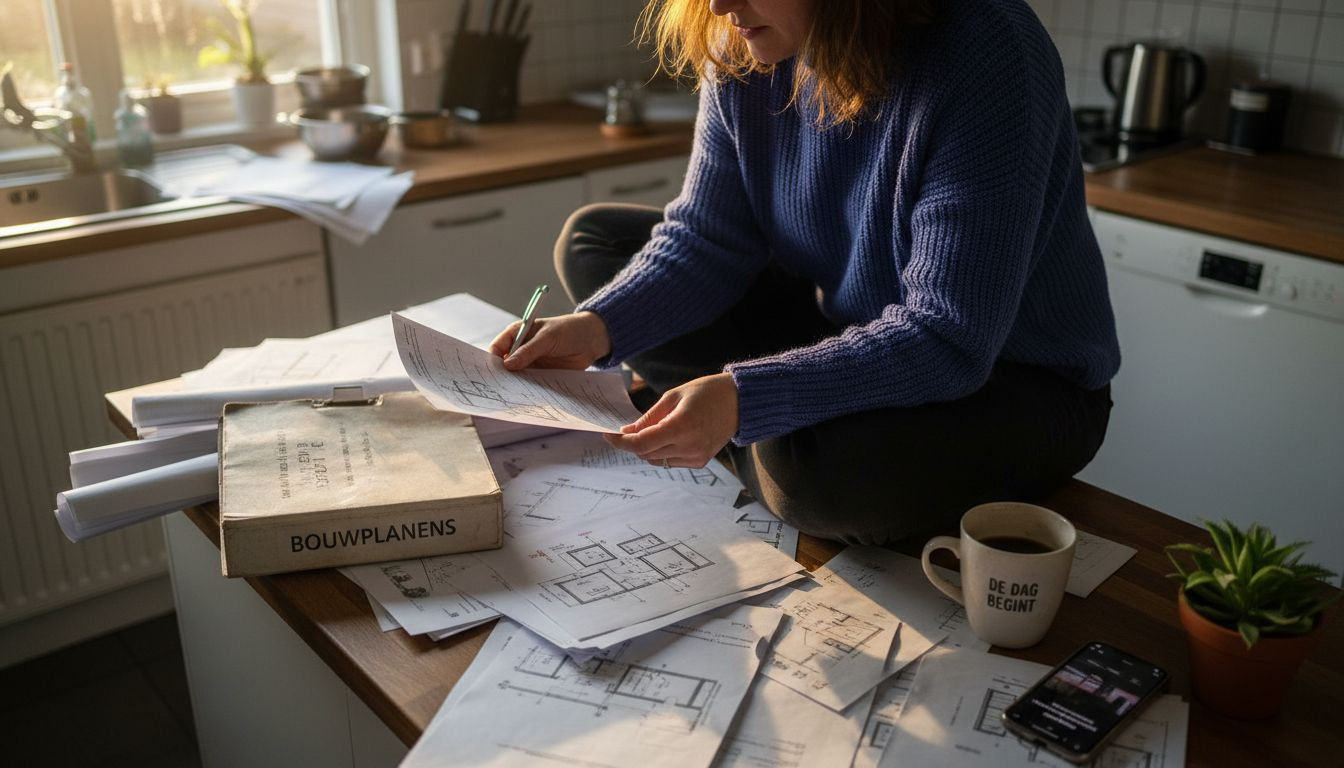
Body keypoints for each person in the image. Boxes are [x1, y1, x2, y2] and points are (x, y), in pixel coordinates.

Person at [490, 0, 1120, 546]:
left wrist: (744, 397)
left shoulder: (987, 50)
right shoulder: (748, 41)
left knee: (814, 479)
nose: (717, 8)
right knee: (597, 241)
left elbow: (947, 337)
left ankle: (747, 422)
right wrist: (598, 329)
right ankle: (754, 421)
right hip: (848, 322)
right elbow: (707, 239)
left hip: (1017, 382)